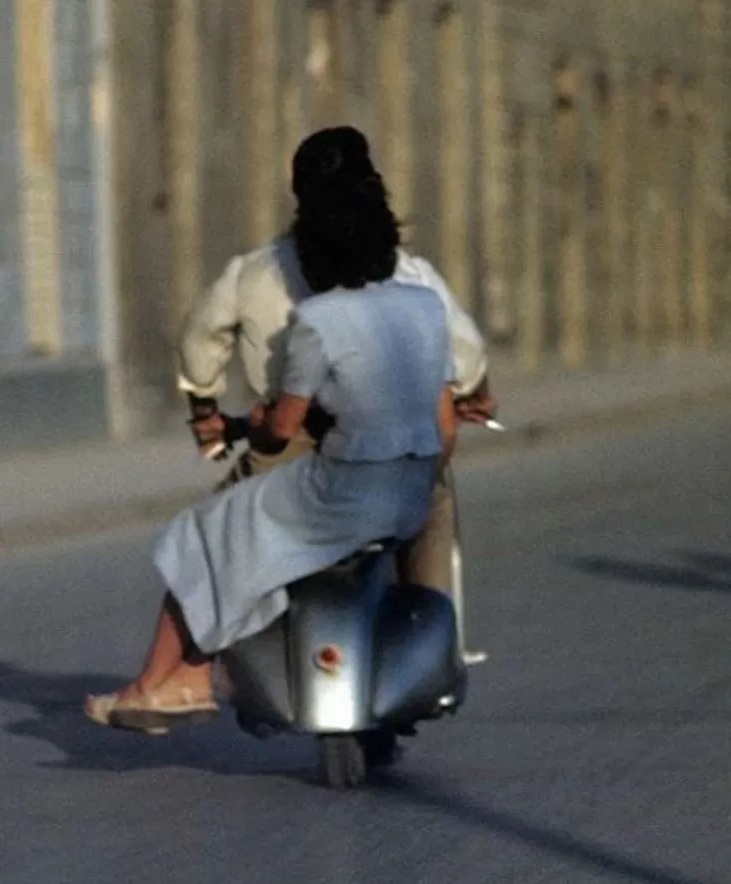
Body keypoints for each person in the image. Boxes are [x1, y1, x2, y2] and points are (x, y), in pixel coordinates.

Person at [84, 135, 459, 727]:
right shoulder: (423, 305)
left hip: (344, 496)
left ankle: (164, 682)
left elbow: (281, 426)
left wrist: (246, 422)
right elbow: (444, 422)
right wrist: (417, 475)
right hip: (408, 496)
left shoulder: (315, 320)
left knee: (206, 530)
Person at [178, 127, 495, 662]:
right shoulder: (407, 276)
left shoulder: (256, 271)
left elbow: (202, 337)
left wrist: (205, 407)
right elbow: (461, 352)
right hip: (387, 447)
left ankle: (195, 662)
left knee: (218, 530)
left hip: (289, 442)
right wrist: (472, 392)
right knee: (432, 502)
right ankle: (436, 637)